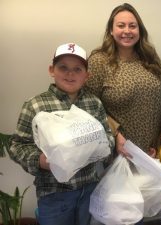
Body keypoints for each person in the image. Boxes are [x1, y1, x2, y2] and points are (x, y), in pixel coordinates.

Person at [9, 43, 115, 225]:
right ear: (52, 70)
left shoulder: (94, 103)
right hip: (54, 193)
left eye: (77, 69)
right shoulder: (35, 105)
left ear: (87, 75)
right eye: (63, 67)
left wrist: (104, 148)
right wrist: (39, 160)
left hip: (89, 189)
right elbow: (17, 146)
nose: (70, 73)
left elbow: (107, 136)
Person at [85, 3, 161, 159]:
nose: (127, 31)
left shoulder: (150, 57)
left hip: (153, 149)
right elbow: (88, 106)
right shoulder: (99, 61)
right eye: (121, 25)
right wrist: (115, 133)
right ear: (111, 30)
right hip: (120, 150)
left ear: (139, 30)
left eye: (132, 26)